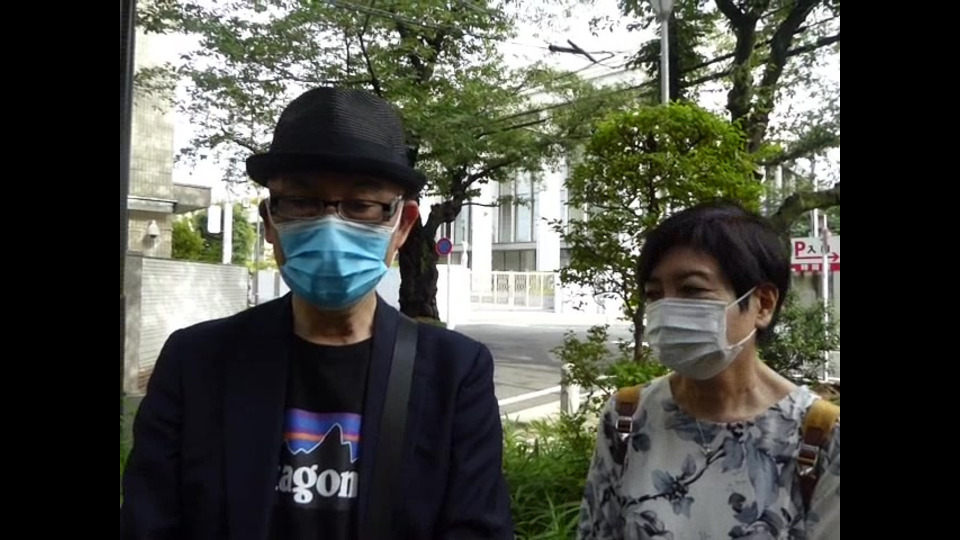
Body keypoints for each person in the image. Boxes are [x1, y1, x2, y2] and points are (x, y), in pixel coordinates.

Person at [121, 87, 514, 539]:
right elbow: (147, 524)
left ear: (403, 225)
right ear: (270, 222)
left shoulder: (455, 373)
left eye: (362, 206)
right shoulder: (195, 363)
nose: (330, 226)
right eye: (302, 202)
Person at [577, 201, 839, 540]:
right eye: (654, 294)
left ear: (763, 304)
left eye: (692, 289)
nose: (667, 309)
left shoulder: (820, 437)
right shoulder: (627, 417)